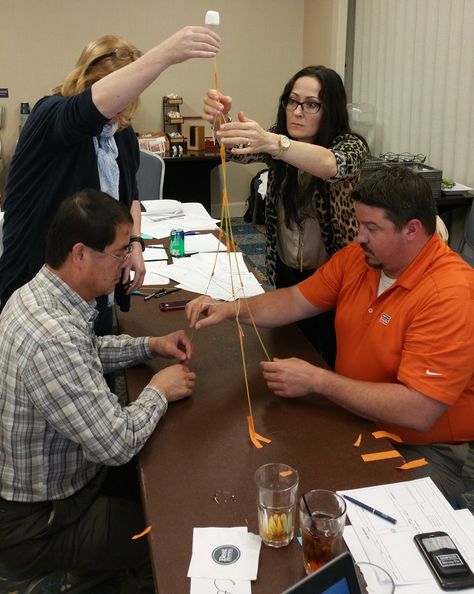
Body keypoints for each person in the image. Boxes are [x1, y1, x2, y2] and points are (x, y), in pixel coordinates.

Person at [186, 166, 474, 504]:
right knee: (287, 480)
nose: (359, 237)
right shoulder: (362, 258)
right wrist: (232, 308)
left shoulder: (449, 294)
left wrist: (319, 381)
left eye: (371, 228)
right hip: (357, 417)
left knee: (351, 523)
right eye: (359, 223)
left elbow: (419, 411)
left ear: (412, 230)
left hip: (427, 446)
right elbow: (294, 299)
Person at [0, 189, 196, 592]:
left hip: (50, 486)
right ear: (80, 254)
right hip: (36, 523)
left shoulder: (40, 295)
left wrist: (150, 345)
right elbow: (118, 442)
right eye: (121, 252)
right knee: (168, 533)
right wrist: (159, 388)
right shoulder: (50, 338)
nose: (126, 264)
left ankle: (96, 568)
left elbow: (86, 352)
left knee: (151, 482)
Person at [0, 26, 220, 335]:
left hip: (93, 283)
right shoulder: (51, 116)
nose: (121, 105)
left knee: (96, 355)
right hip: (38, 286)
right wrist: (167, 53)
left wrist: (134, 245)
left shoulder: (121, 134)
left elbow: (129, 197)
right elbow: (86, 110)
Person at [202, 66, 369, 366]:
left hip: (333, 276)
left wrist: (276, 144)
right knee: (289, 345)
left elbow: (332, 165)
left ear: (329, 109)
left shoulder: (350, 145)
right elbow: (238, 148)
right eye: (292, 101)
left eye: (311, 104)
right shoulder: (278, 141)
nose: (297, 112)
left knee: (328, 354)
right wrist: (220, 122)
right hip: (285, 267)